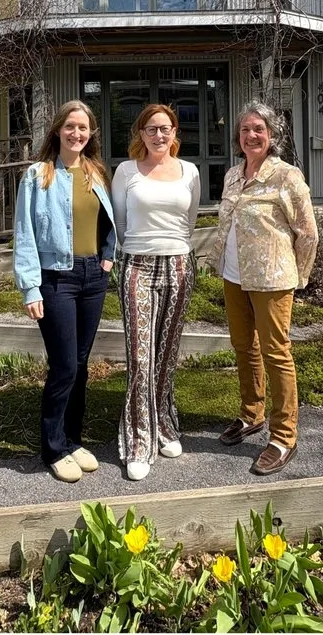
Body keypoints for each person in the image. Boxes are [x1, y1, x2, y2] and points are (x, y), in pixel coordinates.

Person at [206, 100, 319, 475]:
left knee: (276, 353)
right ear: (238, 137)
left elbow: (307, 234)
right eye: (245, 130)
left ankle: (284, 436)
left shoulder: (286, 177)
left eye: (259, 129)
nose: (251, 135)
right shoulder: (233, 176)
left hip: (272, 278)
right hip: (234, 276)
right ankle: (251, 414)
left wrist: (297, 277)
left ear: (272, 136)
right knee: (243, 347)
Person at [12, 100, 114, 483]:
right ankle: (53, 448)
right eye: (70, 126)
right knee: (65, 366)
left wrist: (108, 258)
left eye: (83, 128)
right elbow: (24, 234)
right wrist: (30, 287)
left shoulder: (96, 173)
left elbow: (108, 222)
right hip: (56, 278)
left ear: (90, 135)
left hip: (93, 278)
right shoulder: (38, 175)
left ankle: (73, 440)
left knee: (82, 365)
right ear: (58, 130)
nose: (76, 133)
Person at [108, 104, 203, 481]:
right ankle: (137, 440)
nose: (159, 135)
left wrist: (173, 248)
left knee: (167, 353)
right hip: (137, 265)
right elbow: (120, 220)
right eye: (151, 129)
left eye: (165, 129)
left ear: (175, 132)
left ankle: (164, 423)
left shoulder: (190, 172)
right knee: (141, 357)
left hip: (179, 264)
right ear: (141, 134)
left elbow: (190, 221)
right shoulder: (126, 171)